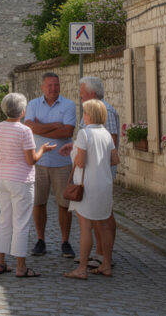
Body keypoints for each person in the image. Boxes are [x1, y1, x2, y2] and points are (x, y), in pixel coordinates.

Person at [0, 92, 57, 278]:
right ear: (22, 111)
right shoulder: (24, 131)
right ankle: (21, 267)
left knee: (4, 219)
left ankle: (0, 262)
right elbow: (31, 160)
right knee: (21, 223)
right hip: (21, 179)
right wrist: (43, 149)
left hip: (2, 177)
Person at [62, 99, 119, 280]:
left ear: (89, 115)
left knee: (86, 227)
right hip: (105, 183)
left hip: (88, 186)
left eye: (84, 113)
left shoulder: (85, 134)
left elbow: (80, 161)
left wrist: (74, 152)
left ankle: (82, 268)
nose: (83, 116)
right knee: (104, 225)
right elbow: (114, 160)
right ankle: (106, 264)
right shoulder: (107, 134)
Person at [23, 72, 76, 259]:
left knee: (64, 204)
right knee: (39, 203)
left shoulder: (69, 105)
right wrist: (55, 125)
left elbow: (67, 131)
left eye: (56, 85)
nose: (53, 88)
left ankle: (65, 241)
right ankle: (40, 240)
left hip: (62, 162)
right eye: (50, 85)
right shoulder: (33, 104)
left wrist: (42, 127)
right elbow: (29, 127)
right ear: (42, 87)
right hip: (39, 161)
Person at [79, 76, 119, 269]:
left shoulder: (104, 112)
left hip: (97, 174)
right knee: (100, 217)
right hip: (97, 174)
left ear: (92, 94)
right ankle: (100, 257)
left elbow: (111, 147)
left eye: (82, 94)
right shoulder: (92, 111)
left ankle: (102, 255)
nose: (79, 97)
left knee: (102, 218)